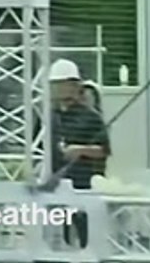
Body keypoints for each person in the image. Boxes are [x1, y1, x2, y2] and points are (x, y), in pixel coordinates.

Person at [46, 58, 109, 247]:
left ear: (73, 86)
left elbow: (104, 150)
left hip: (83, 186)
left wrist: (80, 150)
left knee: (86, 238)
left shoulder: (91, 117)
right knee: (56, 240)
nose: (56, 89)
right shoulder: (47, 117)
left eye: (60, 84)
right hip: (54, 187)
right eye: (54, 85)